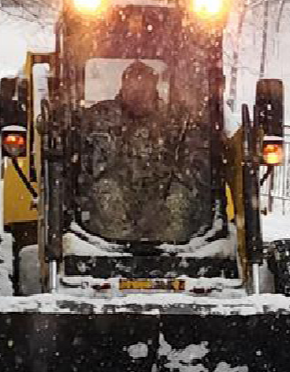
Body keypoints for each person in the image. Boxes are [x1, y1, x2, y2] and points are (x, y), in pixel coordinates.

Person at [78, 59, 203, 243]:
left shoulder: (177, 120)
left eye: (143, 87)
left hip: (161, 197)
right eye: (133, 87)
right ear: (123, 86)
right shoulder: (99, 118)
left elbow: (193, 162)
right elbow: (83, 165)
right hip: (115, 204)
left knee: (179, 199)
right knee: (107, 193)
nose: (138, 94)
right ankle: (118, 250)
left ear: (154, 88)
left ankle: (169, 252)